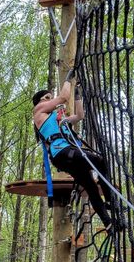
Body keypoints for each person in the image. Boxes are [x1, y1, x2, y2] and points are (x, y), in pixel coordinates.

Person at [33, 79, 121, 232]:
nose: (50, 100)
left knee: (91, 186)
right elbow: (63, 98)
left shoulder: (60, 119)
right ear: (40, 101)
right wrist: (68, 79)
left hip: (66, 156)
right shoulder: (39, 111)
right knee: (99, 161)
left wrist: (77, 92)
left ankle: (108, 222)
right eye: (47, 98)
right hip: (62, 152)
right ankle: (110, 201)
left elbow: (80, 115)